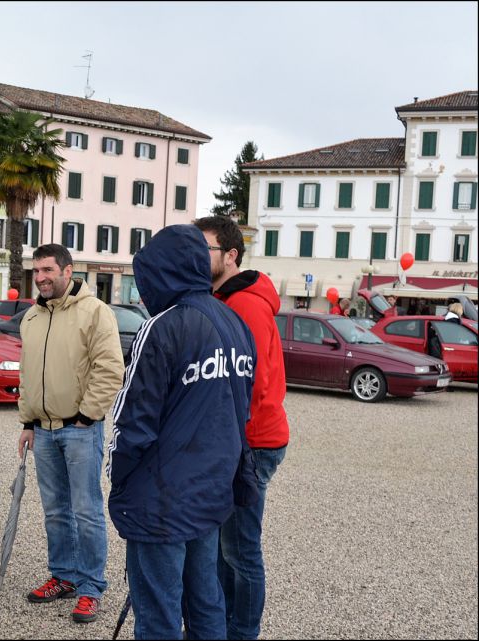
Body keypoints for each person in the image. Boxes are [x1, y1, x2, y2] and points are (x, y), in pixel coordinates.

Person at [108, 224, 256, 640]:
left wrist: (119, 481)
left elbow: (132, 420)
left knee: (158, 613)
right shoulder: (234, 322)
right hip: (210, 489)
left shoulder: (162, 327)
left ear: (160, 273)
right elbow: (241, 408)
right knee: (205, 600)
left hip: (161, 497)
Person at [17, 243, 124, 625]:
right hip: (43, 433)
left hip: (79, 431)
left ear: (67, 270)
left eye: (48, 269)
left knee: (87, 511)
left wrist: (87, 415)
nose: (42, 277)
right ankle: (63, 575)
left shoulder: (95, 312)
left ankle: (91, 586)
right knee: (56, 512)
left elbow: (110, 368)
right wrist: (27, 422)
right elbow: (27, 375)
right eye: (37, 270)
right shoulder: (31, 317)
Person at [195, 215, 290, 639]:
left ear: (230, 256)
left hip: (250, 442)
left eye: (206, 249)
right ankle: (220, 626)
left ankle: (242, 631)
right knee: (222, 547)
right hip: (240, 440)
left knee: (239, 550)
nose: (198, 257)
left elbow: (249, 382)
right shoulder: (226, 299)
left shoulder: (245, 303)